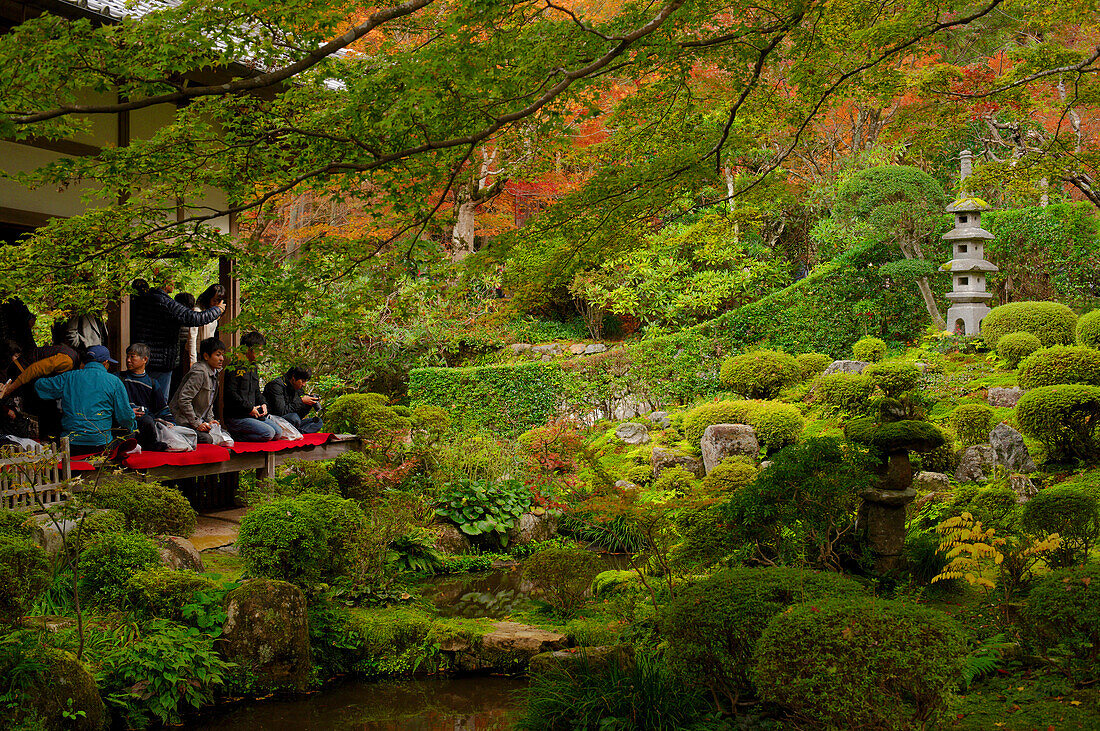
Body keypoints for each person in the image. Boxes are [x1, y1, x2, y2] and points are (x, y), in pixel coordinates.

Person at [130, 278, 226, 404]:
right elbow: (193, 319)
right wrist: (217, 310)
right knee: (159, 401)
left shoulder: (148, 300)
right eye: (172, 279)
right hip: (162, 359)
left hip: (152, 357)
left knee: (147, 398)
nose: (174, 283)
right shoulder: (162, 301)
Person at [33, 345, 136, 452]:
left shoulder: (69, 377)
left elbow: (40, 386)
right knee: (131, 432)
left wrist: (54, 367)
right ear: (105, 363)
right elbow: (126, 417)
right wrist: (132, 427)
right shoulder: (114, 381)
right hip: (100, 444)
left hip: (71, 443)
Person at [1, 340, 81, 439]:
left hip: (30, 376)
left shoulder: (72, 359)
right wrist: (11, 388)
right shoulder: (67, 360)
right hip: (22, 372)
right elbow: (34, 369)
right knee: (45, 407)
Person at [170, 337, 225, 444]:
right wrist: (197, 424)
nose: (222, 358)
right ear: (206, 356)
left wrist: (210, 420)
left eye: (222, 355)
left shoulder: (213, 372)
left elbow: (208, 402)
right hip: (184, 420)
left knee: (224, 436)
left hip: (200, 420)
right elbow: (184, 400)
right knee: (208, 439)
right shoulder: (199, 372)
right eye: (218, 355)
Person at [223, 331, 276, 441]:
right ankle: (235, 436)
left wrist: (263, 404)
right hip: (236, 417)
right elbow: (231, 395)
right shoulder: (234, 367)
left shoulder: (253, 367)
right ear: (248, 349)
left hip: (252, 415)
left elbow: (257, 392)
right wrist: (249, 408)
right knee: (269, 433)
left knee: (278, 432)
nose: (261, 354)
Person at [119, 343, 171, 450]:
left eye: (132, 357)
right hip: (124, 422)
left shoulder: (152, 383)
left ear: (145, 359)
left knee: (147, 420)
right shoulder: (118, 378)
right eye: (127, 356)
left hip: (144, 424)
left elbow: (161, 408)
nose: (128, 360)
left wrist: (170, 422)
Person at [264, 366, 323, 433]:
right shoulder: (276, 386)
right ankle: (297, 433)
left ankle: (297, 433)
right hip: (274, 421)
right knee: (294, 418)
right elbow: (281, 412)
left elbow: (300, 415)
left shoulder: (297, 387)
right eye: (303, 381)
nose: (304, 385)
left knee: (318, 421)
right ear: (293, 378)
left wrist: (308, 404)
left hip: (291, 422)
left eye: (305, 382)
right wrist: (301, 401)